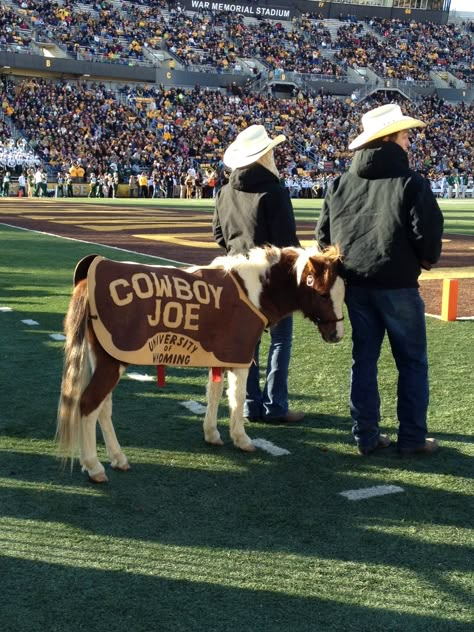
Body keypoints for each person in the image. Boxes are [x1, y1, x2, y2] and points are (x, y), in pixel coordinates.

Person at [316, 104, 444, 457]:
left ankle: (365, 436)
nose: (408, 142)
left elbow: (323, 239)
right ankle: (412, 438)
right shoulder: (411, 182)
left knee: (364, 361)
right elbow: (428, 233)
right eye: (404, 135)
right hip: (399, 286)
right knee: (412, 362)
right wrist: (423, 259)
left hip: (357, 287)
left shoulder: (339, 183)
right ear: (388, 137)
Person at [213, 124, 304, 424]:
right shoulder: (274, 191)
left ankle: (250, 404)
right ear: (265, 156)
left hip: (237, 275)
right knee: (281, 340)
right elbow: (286, 242)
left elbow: (218, 234)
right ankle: (276, 405)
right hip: (271, 279)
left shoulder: (224, 192)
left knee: (247, 342)